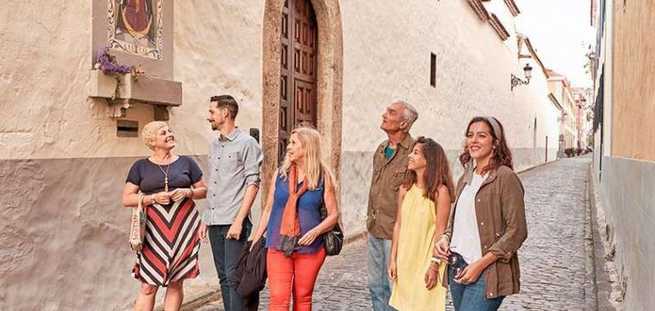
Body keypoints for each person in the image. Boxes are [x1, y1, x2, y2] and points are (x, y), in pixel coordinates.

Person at [435, 116, 528, 311]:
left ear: (495, 143)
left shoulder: (505, 178)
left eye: (482, 135)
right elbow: (456, 221)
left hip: (487, 271)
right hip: (457, 265)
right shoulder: (465, 178)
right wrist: (445, 238)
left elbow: (517, 231)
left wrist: (480, 264)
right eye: (470, 135)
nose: (473, 140)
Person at [122, 121, 208, 311]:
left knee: (176, 282)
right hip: (152, 232)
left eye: (170, 131)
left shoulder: (186, 162)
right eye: (163, 133)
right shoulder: (140, 167)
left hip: (183, 229)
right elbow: (127, 198)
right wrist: (152, 198)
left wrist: (188, 193)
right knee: (147, 285)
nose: (169, 134)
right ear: (153, 141)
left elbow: (203, 190)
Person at [251, 126, 338, 311]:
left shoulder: (323, 177)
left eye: (293, 143)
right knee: (278, 299)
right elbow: (268, 209)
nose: (288, 147)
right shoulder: (280, 175)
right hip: (277, 244)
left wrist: (316, 231)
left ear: (307, 147)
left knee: (303, 298)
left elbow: (333, 215)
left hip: (311, 248)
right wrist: (257, 238)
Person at [200, 95, 264, 311]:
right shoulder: (214, 145)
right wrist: (205, 218)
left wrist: (239, 220)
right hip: (214, 220)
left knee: (234, 277)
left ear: (225, 113)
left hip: (233, 221)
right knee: (223, 278)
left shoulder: (247, 143)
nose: (209, 117)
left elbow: (253, 183)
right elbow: (215, 184)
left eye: (212, 112)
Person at [388, 137, 454, 311]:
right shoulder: (405, 189)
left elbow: (441, 233)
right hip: (405, 259)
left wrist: (434, 265)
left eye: (416, 153)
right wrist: (393, 259)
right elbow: (398, 225)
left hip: (426, 260)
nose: (410, 155)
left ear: (429, 160)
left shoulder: (441, 192)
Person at [367, 100, 418, 311]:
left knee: (395, 288)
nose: (384, 114)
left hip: (397, 233)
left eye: (391, 112)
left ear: (404, 123)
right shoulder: (380, 149)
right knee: (375, 286)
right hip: (374, 228)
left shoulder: (415, 152)